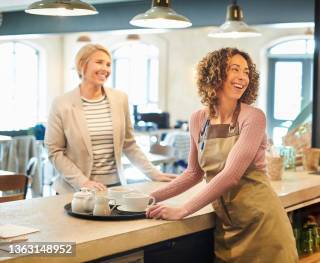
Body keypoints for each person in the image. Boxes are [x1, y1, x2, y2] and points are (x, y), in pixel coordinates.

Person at [146, 48, 298, 262]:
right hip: (227, 227)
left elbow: (231, 175)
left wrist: (182, 210)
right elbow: (193, 173)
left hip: (263, 224)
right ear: (215, 74)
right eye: (234, 69)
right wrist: (149, 198)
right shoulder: (198, 119)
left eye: (246, 72)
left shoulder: (253, 117)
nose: (242, 77)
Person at [45, 44, 175, 194]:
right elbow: (55, 151)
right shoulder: (62, 103)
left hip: (115, 188)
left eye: (108, 64)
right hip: (75, 190)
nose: (105, 69)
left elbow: (129, 145)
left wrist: (153, 173)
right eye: (99, 62)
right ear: (82, 64)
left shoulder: (120, 99)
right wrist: (83, 182)